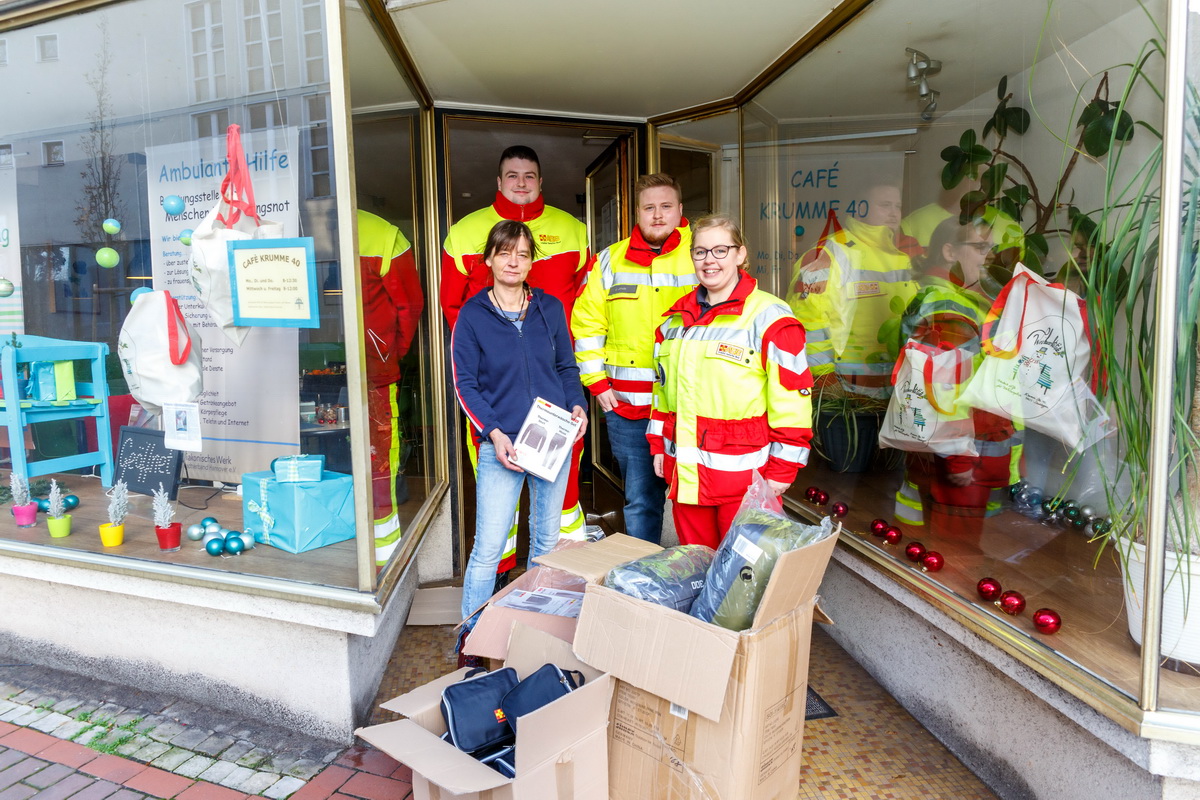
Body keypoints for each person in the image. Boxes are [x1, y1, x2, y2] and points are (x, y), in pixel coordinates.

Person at [440, 146, 591, 574]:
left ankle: (561, 578)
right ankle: (503, 575)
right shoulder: (466, 231)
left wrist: (571, 384)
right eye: (512, 175)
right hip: (498, 393)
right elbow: (454, 308)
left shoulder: (573, 230)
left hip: (556, 393)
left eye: (529, 176)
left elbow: (585, 305)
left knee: (562, 499)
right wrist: (487, 361)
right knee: (496, 503)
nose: (521, 183)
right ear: (499, 182)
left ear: (541, 182)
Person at [452, 220, 587, 641]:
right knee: (489, 548)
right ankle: (472, 639)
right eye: (505, 252)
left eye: (523, 253)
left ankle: (532, 631)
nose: (514, 260)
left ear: (531, 262)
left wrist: (578, 405)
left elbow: (566, 367)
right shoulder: (472, 315)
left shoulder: (550, 308)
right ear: (489, 258)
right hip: (503, 445)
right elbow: (465, 383)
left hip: (552, 440)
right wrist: (493, 432)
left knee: (545, 544)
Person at [648, 215, 814, 548]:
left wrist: (783, 472)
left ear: (741, 255)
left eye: (720, 250)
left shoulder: (772, 318)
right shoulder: (673, 323)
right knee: (697, 572)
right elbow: (661, 395)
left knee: (741, 583)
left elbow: (793, 401)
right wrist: (657, 447)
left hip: (745, 484)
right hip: (687, 479)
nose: (709, 260)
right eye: (700, 252)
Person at [572, 173, 695, 543]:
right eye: (649, 208)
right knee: (640, 501)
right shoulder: (609, 260)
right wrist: (596, 382)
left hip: (691, 405)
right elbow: (587, 324)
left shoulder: (702, 253)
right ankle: (645, 587)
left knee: (699, 500)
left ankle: (696, 584)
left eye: (666, 206)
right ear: (637, 213)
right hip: (629, 407)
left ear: (680, 210)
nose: (658, 215)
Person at [891, 217, 1022, 535]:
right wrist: (960, 459)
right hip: (959, 463)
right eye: (979, 246)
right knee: (955, 562)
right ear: (949, 252)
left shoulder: (957, 300)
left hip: (955, 460)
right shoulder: (951, 309)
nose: (989, 254)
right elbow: (941, 391)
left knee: (941, 552)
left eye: (991, 246)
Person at [787, 183, 919, 398]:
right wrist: (824, 380)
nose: (893, 213)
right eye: (885, 205)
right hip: (845, 392)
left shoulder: (902, 257)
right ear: (860, 208)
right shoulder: (829, 253)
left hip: (897, 392)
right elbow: (808, 320)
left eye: (898, 206)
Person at [357, 209, 424, 566]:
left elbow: (410, 304)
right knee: (374, 456)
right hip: (361, 368)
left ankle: (386, 552)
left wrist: (389, 355)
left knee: (379, 457)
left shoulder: (382, 233)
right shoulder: (294, 217)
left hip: (375, 374)